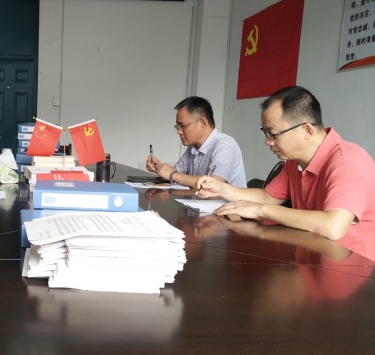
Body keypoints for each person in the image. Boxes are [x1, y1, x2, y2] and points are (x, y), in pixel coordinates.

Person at [196, 86, 375, 257]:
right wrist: (222, 189)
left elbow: (333, 227)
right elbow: (267, 197)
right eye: (266, 133)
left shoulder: (347, 162)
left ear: (307, 130)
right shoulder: (295, 162)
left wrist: (262, 210)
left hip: (354, 266)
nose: (268, 142)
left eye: (273, 134)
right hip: (313, 254)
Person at [146, 96, 247, 188]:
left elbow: (213, 184)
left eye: (183, 126)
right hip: (198, 201)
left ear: (203, 122)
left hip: (225, 203)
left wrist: (172, 174)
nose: (179, 131)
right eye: (178, 126)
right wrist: (159, 168)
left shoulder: (225, 145)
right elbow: (177, 173)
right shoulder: (193, 146)